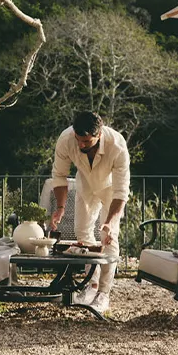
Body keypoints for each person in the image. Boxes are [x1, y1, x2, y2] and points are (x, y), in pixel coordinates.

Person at [48, 110, 129, 313]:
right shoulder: (66, 139)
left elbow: (121, 191)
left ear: (99, 134)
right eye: (79, 140)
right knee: (82, 232)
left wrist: (110, 222)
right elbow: (59, 176)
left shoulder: (117, 145)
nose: (81, 145)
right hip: (85, 183)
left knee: (108, 237)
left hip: (110, 189)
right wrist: (60, 208)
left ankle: (103, 293)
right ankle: (91, 286)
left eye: (86, 141)